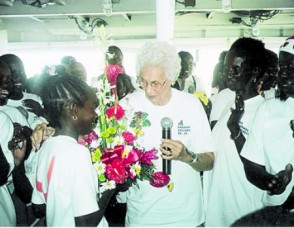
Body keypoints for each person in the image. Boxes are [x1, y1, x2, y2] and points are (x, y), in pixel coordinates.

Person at [118, 41, 215, 226]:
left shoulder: (191, 105)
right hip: (142, 216)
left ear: (170, 78)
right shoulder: (127, 105)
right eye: (143, 81)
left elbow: (209, 161)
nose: (148, 90)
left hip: (186, 216)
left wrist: (186, 156)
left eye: (155, 83)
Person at [31, 75, 114, 226]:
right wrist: (113, 186)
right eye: (92, 107)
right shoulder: (77, 153)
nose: (95, 114)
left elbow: (39, 207)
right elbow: (86, 222)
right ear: (74, 110)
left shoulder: (46, 146)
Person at [203, 37, 268, 227]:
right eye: (226, 68)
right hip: (218, 214)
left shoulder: (263, 112)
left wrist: (236, 131)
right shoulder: (230, 105)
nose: (228, 74)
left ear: (255, 72)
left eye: (236, 69)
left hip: (246, 216)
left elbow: (260, 172)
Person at [240, 36, 294, 208]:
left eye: (291, 67)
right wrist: (271, 182)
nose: (282, 73)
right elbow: (251, 165)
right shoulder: (268, 109)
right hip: (278, 212)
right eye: (282, 67)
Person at [0, 54, 46, 129]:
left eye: (21, 72)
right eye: (12, 73)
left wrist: (42, 114)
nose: (18, 77)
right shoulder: (2, 105)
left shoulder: (35, 99)